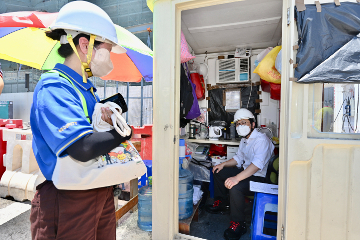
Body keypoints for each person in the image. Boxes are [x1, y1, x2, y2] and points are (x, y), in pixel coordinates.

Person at [29, 1, 131, 239]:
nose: (110, 59)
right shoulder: (54, 86)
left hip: (98, 188)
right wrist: (123, 133)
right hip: (68, 198)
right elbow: (82, 148)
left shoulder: (87, 89)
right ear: (85, 45)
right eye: (106, 49)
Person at [206, 108, 274, 240]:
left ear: (252, 124)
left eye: (244, 122)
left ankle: (239, 224)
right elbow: (238, 158)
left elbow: (256, 166)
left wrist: (237, 178)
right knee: (219, 172)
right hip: (246, 171)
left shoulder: (261, 140)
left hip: (259, 177)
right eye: (238, 124)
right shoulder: (245, 140)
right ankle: (223, 203)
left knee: (235, 187)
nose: (240, 126)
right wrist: (223, 164)